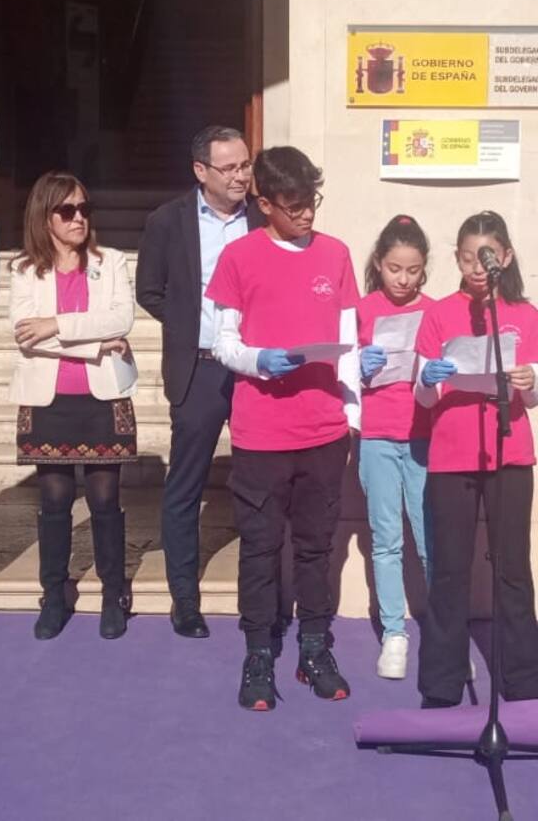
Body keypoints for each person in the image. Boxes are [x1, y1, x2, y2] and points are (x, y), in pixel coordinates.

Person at [207, 146, 360, 711]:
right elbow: (222, 343)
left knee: (317, 547)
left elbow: (349, 343)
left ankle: (314, 647)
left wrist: (352, 414)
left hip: (323, 432)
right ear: (264, 203)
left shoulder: (336, 254)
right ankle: (258, 651)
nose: (306, 214)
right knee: (260, 547)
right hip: (261, 434)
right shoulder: (238, 256)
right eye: (294, 205)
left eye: (311, 201)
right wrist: (258, 360)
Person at [136, 125, 265, 639]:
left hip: (255, 370)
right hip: (201, 368)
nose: (240, 176)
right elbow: (150, 290)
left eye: (245, 164)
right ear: (200, 171)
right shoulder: (167, 221)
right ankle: (185, 599)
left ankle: (264, 594)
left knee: (261, 484)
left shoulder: (264, 218)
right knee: (185, 486)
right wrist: (191, 326)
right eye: (229, 168)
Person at [414, 210, 538, 708]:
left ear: (504, 257)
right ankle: (441, 685)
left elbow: (531, 399)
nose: (476, 268)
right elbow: (423, 395)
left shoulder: (524, 314)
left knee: (513, 568)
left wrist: (530, 380)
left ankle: (523, 680)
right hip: (452, 453)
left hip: (510, 452)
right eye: (466, 258)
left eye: (484, 258)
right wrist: (429, 379)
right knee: (450, 568)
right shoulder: (440, 313)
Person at [9, 171, 137, 640]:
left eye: (84, 208)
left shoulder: (112, 261)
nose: (78, 217)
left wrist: (56, 325)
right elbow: (26, 335)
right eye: (67, 210)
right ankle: (53, 594)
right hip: (48, 399)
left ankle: (112, 593)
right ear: (45, 217)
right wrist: (96, 344)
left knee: (105, 501)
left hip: (103, 397)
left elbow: (120, 319)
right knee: (55, 501)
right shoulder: (24, 270)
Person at [356, 215, 433, 679]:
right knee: (385, 540)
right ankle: (394, 632)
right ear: (379, 264)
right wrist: (360, 366)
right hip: (378, 436)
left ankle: (443, 633)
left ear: (425, 269)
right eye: (394, 268)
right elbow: (343, 376)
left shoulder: (436, 311)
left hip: (425, 436)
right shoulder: (363, 309)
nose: (403, 279)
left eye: (413, 270)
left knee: (431, 539)